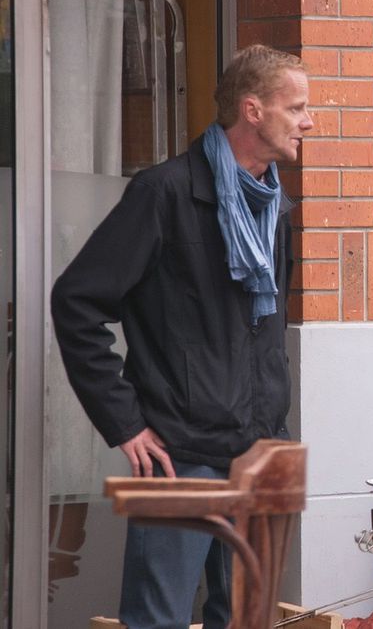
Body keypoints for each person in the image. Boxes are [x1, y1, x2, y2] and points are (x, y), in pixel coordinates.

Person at [51, 44, 313, 629]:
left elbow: (261, 333)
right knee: (157, 619)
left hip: (262, 450)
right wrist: (125, 421)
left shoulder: (274, 209)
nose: (308, 120)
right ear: (252, 110)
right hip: (183, 454)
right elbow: (77, 302)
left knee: (247, 617)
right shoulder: (164, 194)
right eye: (296, 107)